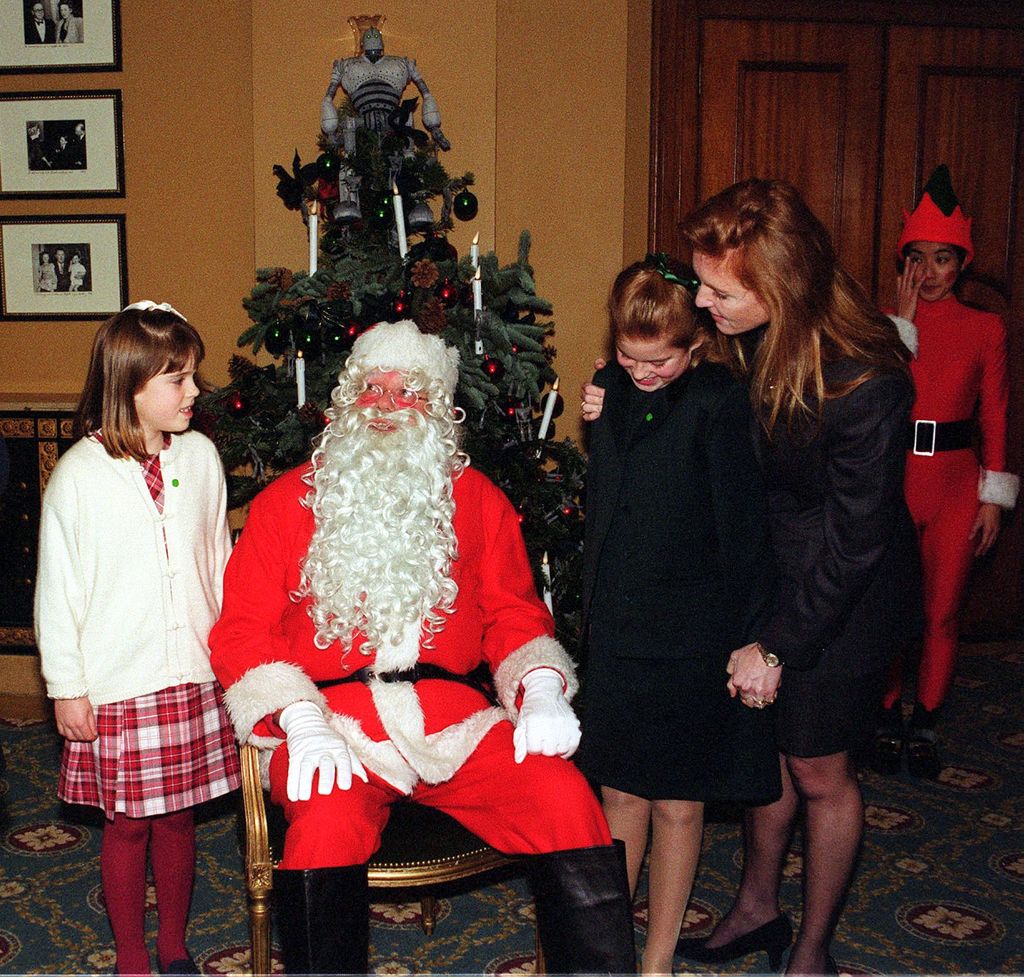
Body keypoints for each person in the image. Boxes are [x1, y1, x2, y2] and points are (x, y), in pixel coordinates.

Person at [208, 319, 636, 976]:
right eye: (371, 388)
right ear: (346, 402)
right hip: (333, 725)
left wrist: (542, 684)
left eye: (407, 391)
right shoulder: (284, 505)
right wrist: (296, 717)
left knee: (564, 797)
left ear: (437, 408)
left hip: (456, 718)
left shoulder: (477, 499)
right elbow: (241, 631)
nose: (384, 405)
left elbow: (514, 612)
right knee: (323, 825)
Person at [583, 179, 919, 976]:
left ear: (778, 282)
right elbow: (692, 406)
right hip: (772, 570)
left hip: (846, 590)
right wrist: (621, 401)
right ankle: (759, 904)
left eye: (718, 289)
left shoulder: (870, 379)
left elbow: (855, 541)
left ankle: (812, 947)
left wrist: (774, 642)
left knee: (817, 766)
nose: (702, 300)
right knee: (764, 755)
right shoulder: (752, 333)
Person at [575, 254, 779, 976]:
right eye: (631, 357)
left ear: (695, 344)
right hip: (622, 630)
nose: (644, 371)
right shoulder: (612, 390)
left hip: (692, 638)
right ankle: (605, 948)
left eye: (660, 359)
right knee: (618, 793)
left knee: (678, 806)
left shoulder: (719, 400)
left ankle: (657, 957)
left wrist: (751, 634)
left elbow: (741, 530)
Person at [34, 301, 241, 976]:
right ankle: (130, 953)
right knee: (128, 825)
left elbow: (218, 561)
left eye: (192, 376)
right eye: (178, 379)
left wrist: (237, 655)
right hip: (120, 681)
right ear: (131, 387)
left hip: (192, 672)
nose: (194, 391)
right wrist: (67, 687)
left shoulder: (202, 458)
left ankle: (175, 943)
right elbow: (58, 593)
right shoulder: (78, 476)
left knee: (179, 819)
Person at [871, 166, 1019, 778]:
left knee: (942, 610)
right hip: (892, 482)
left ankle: (925, 719)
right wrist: (901, 329)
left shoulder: (986, 328)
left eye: (943, 260)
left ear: (962, 264)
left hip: (957, 486)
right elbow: (875, 399)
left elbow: (998, 415)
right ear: (904, 262)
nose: (929, 273)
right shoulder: (881, 326)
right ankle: (882, 714)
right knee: (887, 607)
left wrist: (993, 497)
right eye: (918, 259)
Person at [320, 26, 450, 151]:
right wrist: (331, 133)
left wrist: (433, 126)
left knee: (407, 122)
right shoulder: (347, 65)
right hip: (365, 117)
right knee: (350, 127)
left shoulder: (400, 63)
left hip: (390, 116)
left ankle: (408, 155)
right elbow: (328, 98)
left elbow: (426, 93)